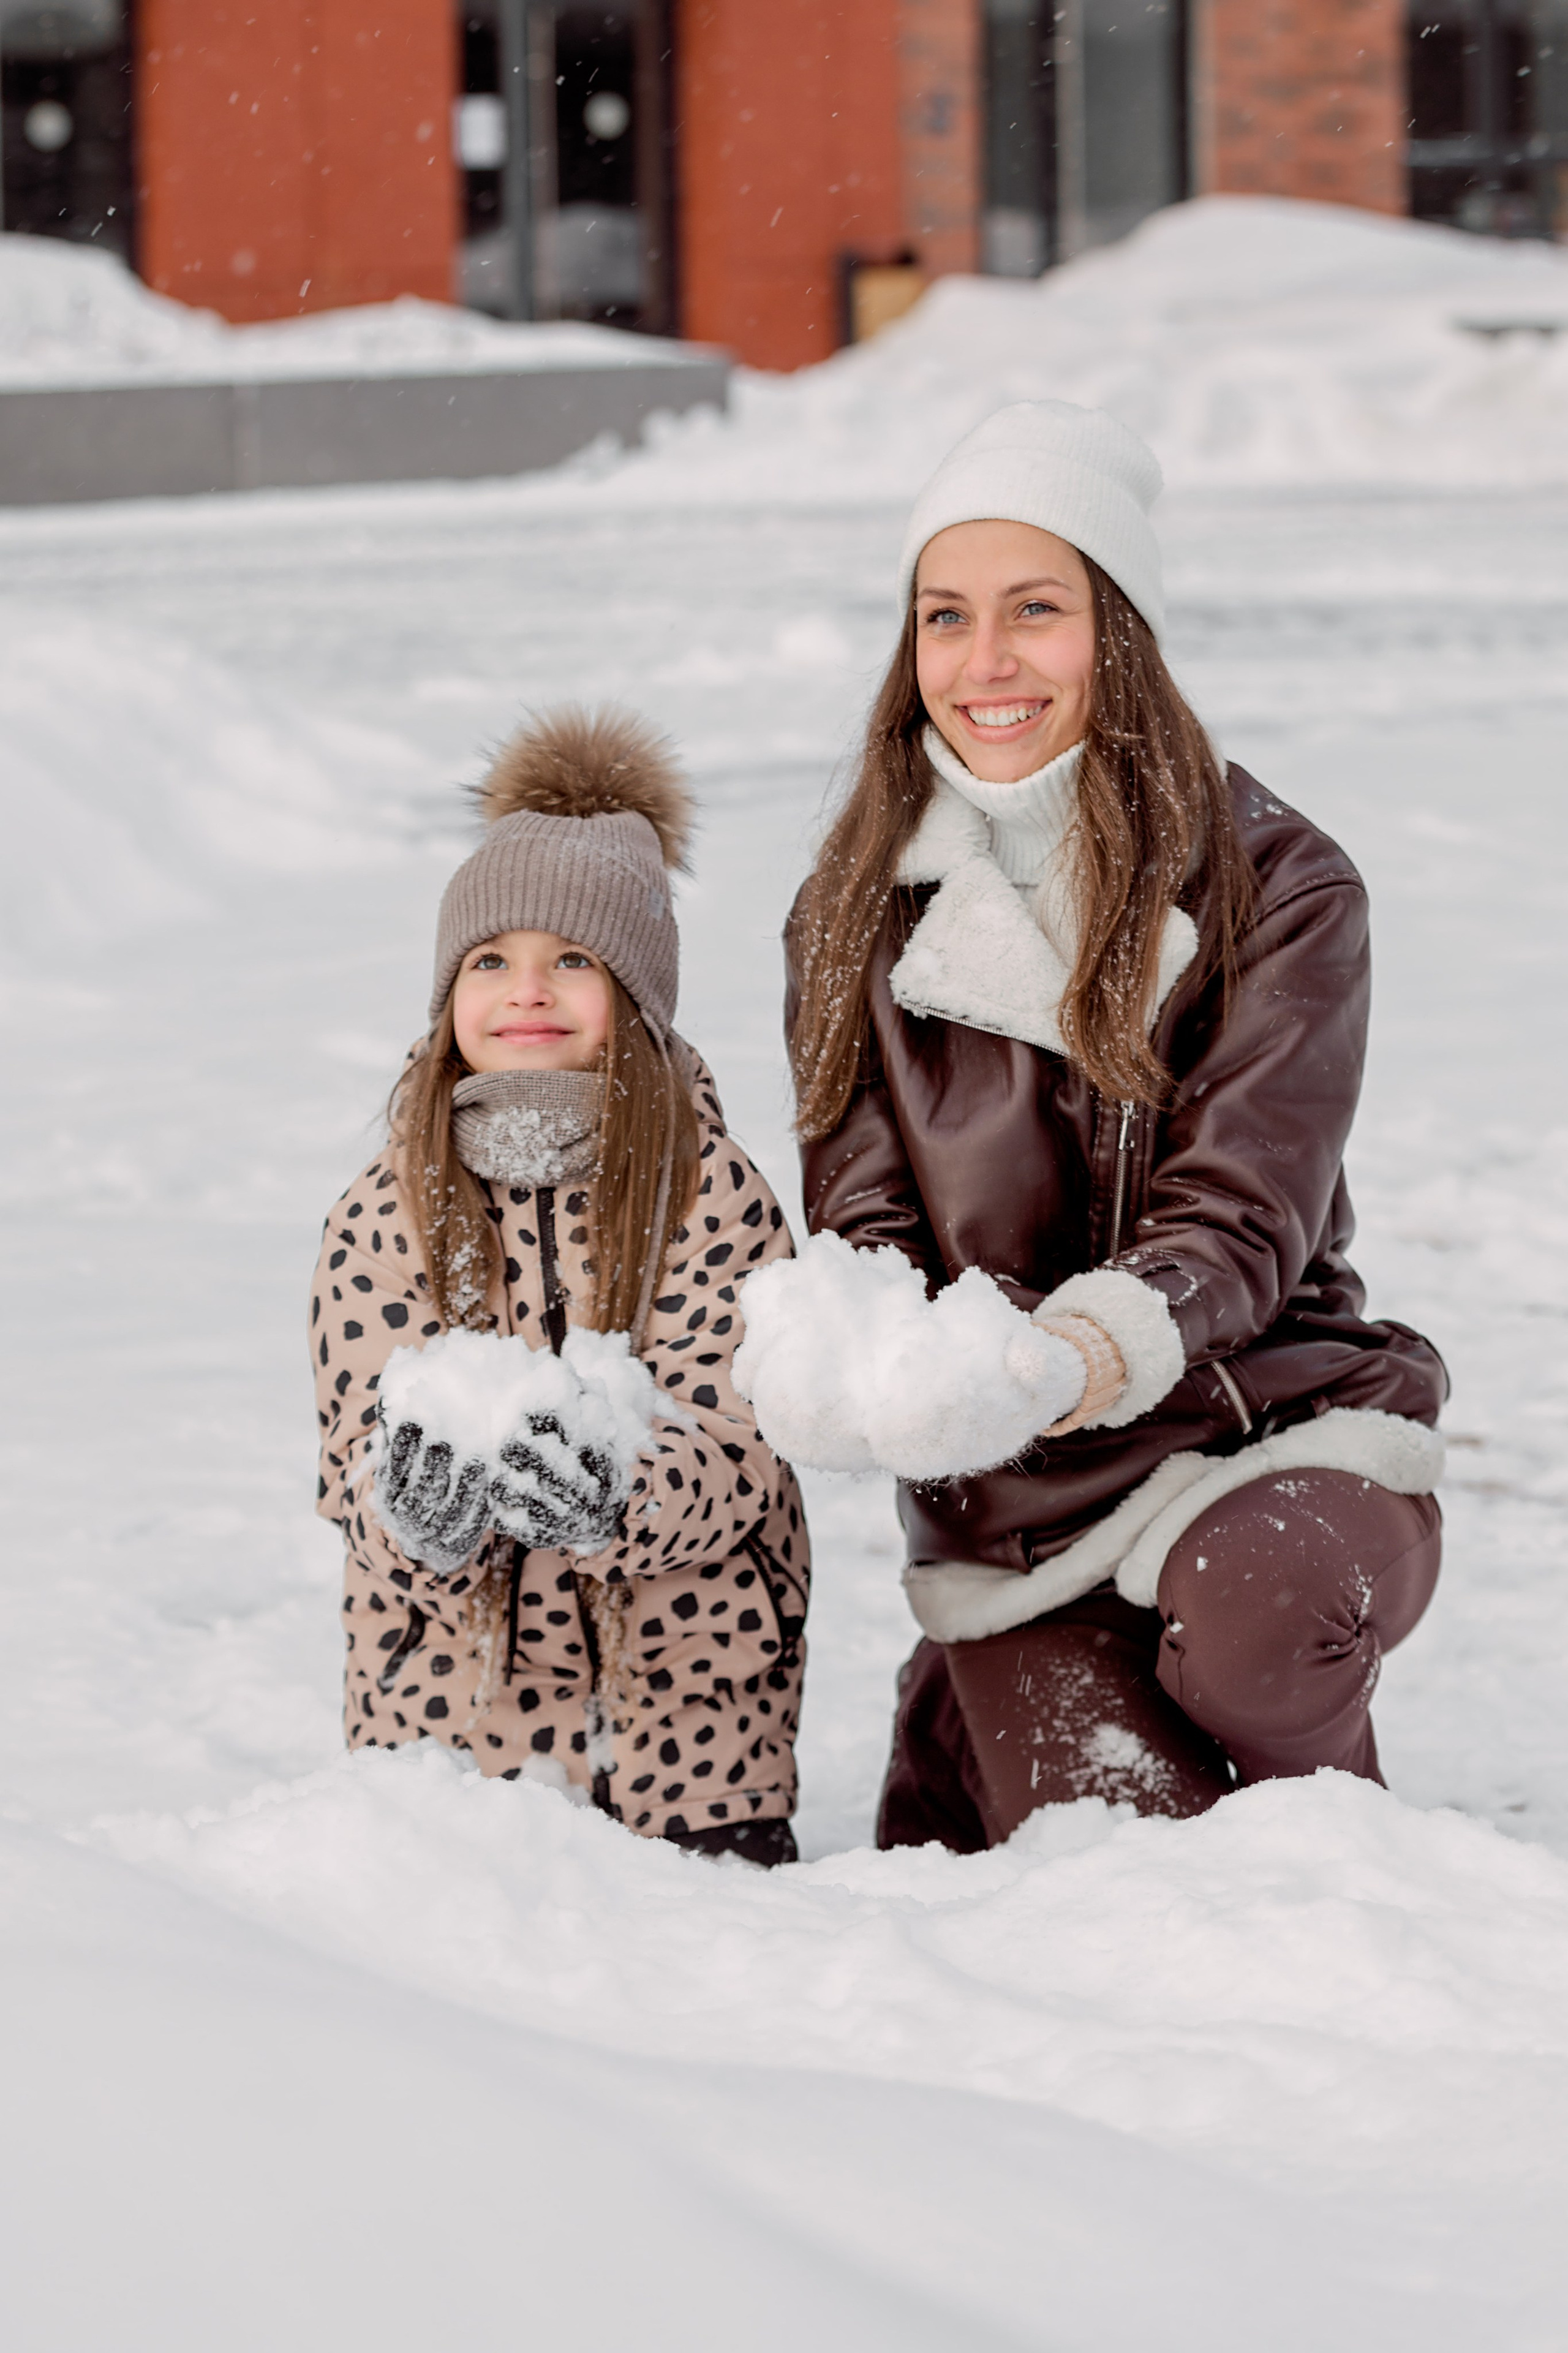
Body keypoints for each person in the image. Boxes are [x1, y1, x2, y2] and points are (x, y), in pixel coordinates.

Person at [781, 400, 1446, 1850]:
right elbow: (866, 1227)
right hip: (1017, 1511)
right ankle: (971, 1702)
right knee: (1112, 1867)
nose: (984, 662)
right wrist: (868, 1361)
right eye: (943, 618)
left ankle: (1349, 1858)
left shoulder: (1279, 882)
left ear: (1119, 632)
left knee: (1265, 1623)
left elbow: (1241, 1211)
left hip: (1263, 1425)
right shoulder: (850, 909)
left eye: (1037, 610)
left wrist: (1082, 1346)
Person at [311, 707, 808, 1865]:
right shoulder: (385, 1209)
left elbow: (746, 1444)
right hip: (447, 1732)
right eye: (490, 960)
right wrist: (408, 1514)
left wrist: (617, 1492)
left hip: (692, 1735)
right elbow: (349, 1454)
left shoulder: (712, 1194)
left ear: (634, 997)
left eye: (572, 959)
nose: (525, 990)